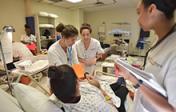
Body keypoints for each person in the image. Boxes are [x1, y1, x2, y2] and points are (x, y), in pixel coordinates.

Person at [116, 0, 176, 112]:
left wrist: (132, 79)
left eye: (139, 12)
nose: (138, 20)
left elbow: (172, 109)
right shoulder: (158, 40)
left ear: (151, 9)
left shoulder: (173, 49)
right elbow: (154, 81)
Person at [48, 65, 118, 112]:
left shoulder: (55, 99)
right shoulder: (95, 102)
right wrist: (99, 87)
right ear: (77, 83)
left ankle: (119, 83)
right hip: (103, 96)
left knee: (115, 85)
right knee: (122, 90)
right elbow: (112, 107)